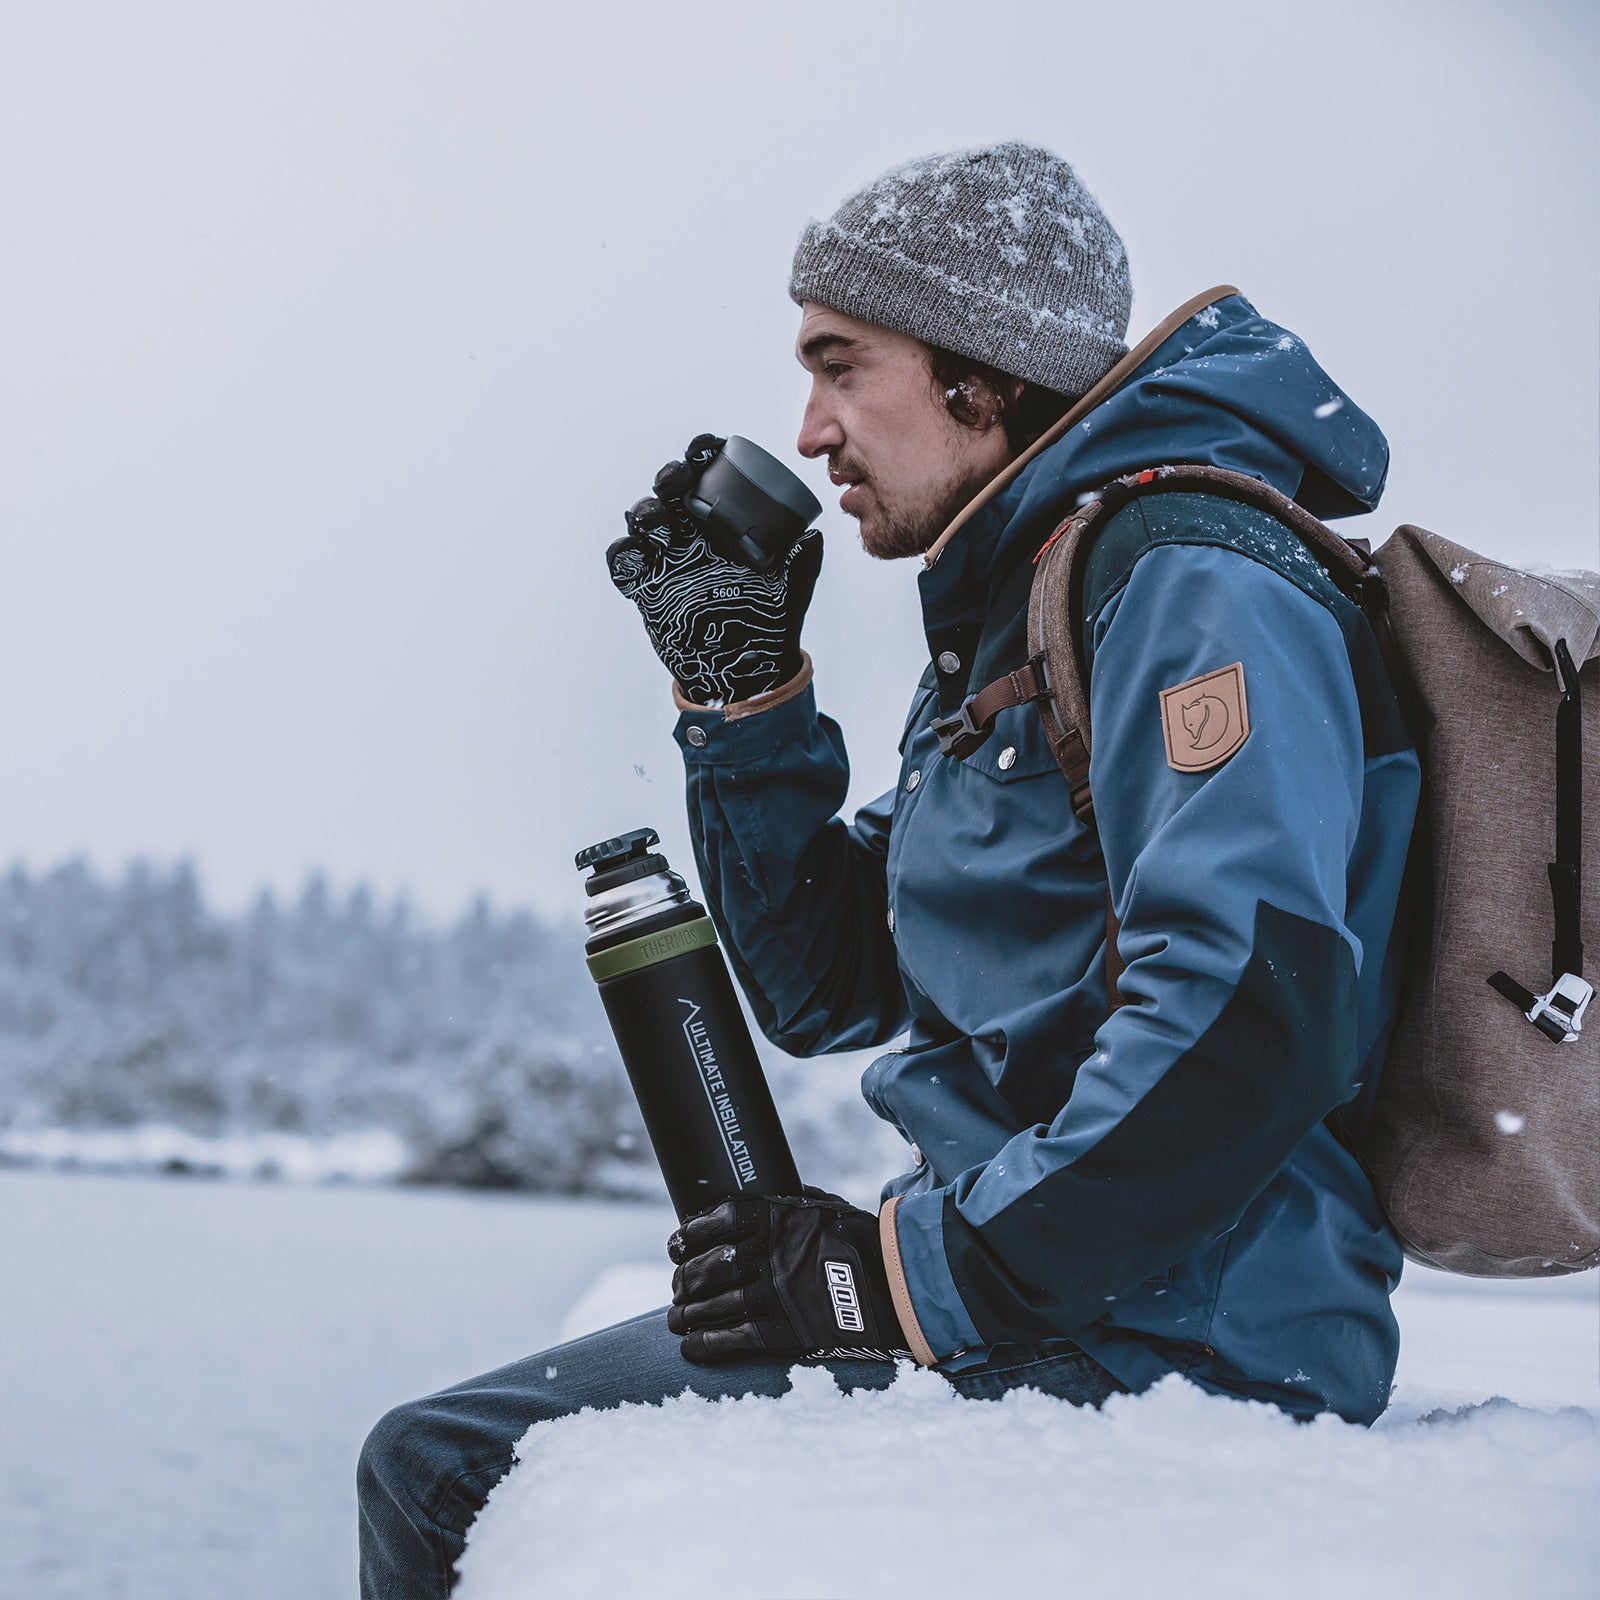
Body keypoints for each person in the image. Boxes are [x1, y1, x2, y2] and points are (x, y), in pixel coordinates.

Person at [357, 141, 1418, 1597]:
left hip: (1180, 1342)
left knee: (443, 1471)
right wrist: (744, 698)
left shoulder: (1186, 574)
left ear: (982, 367)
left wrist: (901, 1276)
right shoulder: (1020, 607)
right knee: (437, 1459)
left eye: (843, 364)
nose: (811, 427)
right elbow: (834, 983)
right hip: (1050, 1307)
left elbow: (1248, 1004)